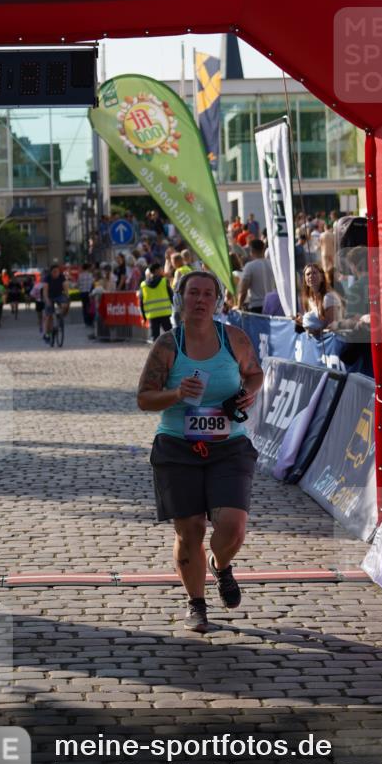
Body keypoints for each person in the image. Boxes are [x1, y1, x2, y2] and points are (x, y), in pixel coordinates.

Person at [137, 271, 263, 633]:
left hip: (229, 446)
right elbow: (145, 398)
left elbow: (255, 373)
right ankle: (196, 603)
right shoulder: (167, 345)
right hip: (177, 447)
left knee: (233, 527)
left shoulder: (233, 338)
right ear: (181, 298)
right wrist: (176, 394)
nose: (201, 300)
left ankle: (220, 565)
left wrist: (250, 391)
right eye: (193, 293)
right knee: (189, 529)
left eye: (209, 294)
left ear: (218, 301)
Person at [293, 262, 342, 334]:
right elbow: (314, 324)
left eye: (314, 273)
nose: (311, 276)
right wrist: (303, 322)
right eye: (308, 274)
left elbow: (333, 328)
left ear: (322, 277)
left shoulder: (329, 297)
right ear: (305, 280)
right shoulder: (308, 299)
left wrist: (315, 332)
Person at [237, 239, 275, 314]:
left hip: (256, 307)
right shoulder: (272, 265)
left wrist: (239, 306)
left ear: (251, 251)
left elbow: (243, 290)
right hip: (272, 305)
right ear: (263, 249)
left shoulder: (250, 266)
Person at [139, 262, 174, 342]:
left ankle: (156, 353)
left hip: (152, 315)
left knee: (155, 338)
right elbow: (171, 296)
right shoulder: (164, 281)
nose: (162, 270)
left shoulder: (143, 285)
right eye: (160, 269)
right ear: (156, 270)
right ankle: (175, 352)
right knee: (171, 336)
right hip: (165, 313)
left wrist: (144, 316)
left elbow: (141, 302)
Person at [43, 263, 70, 339]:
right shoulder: (47, 278)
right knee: (49, 316)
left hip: (59, 295)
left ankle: (60, 316)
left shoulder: (62, 277)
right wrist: (47, 300)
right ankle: (47, 334)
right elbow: (45, 291)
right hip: (50, 296)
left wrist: (67, 297)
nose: (56, 273)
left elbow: (65, 288)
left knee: (65, 304)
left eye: (57, 271)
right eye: (54, 271)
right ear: (51, 272)